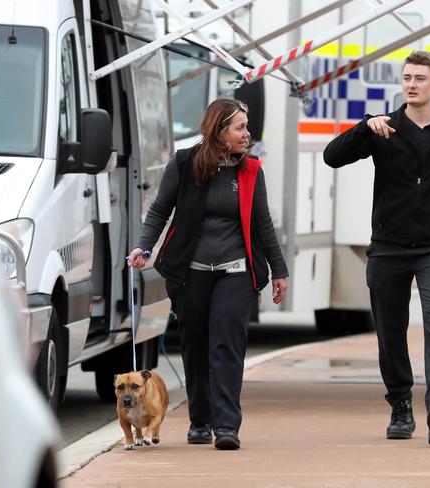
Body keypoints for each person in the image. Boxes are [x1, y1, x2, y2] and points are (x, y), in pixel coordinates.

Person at [323, 51, 430, 446]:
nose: (411, 84)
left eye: (419, 78)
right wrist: (364, 127)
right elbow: (332, 157)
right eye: (407, 77)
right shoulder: (385, 129)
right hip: (389, 247)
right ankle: (399, 407)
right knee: (390, 332)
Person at [128, 98, 288, 450]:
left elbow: (263, 224)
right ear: (219, 131)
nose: (247, 134)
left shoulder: (250, 171)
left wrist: (279, 271)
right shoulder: (184, 163)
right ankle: (200, 420)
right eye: (240, 128)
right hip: (191, 272)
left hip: (236, 271)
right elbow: (159, 210)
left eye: (246, 127)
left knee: (227, 344)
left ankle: (227, 425)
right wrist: (144, 246)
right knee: (195, 345)